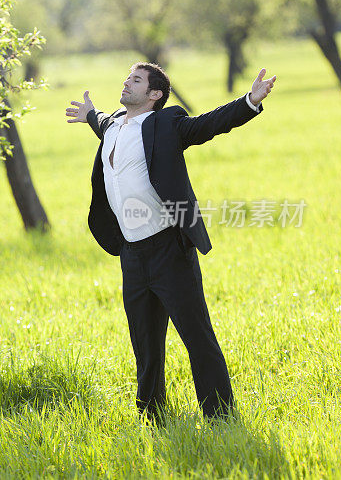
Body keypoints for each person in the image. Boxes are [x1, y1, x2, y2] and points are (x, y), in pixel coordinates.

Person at [65, 63, 276, 420]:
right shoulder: (113, 124)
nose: (126, 82)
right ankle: (152, 416)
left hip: (169, 249)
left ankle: (221, 416)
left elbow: (209, 123)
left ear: (154, 94)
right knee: (145, 346)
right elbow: (101, 121)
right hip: (131, 254)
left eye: (136, 80)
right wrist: (89, 114)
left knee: (198, 338)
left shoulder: (166, 124)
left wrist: (249, 101)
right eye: (127, 77)